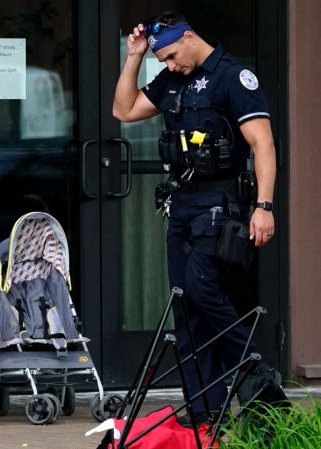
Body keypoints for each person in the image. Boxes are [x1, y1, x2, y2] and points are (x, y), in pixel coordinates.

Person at [112, 11, 284, 423]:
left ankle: (254, 368)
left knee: (203, 289)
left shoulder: (233, 77)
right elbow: (124, 110)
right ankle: (206, 412)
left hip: (220, 204)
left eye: (171, 55)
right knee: (186, 308)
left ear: (189, 36)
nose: (170, 65)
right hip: (183, 206)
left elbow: (263, 144)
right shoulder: (172, 78)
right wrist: (135, 56)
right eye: (163, 60)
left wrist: (264, 207)